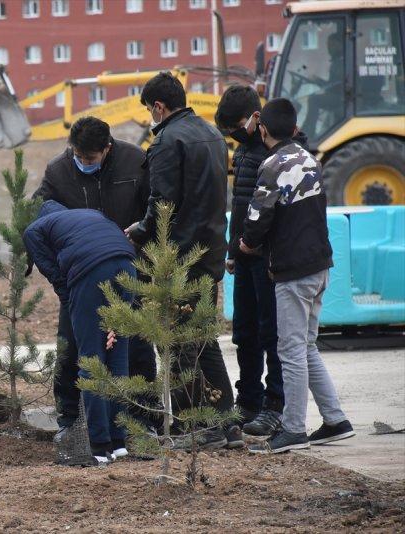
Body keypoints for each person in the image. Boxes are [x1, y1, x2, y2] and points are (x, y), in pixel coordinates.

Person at [126, 72, 240, 450]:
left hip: (177, 258)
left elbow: (162, 204)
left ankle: (197, 428)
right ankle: (226, 422)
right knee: (204, 338)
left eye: (149, 110)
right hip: (209, 252)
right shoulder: (211, 134)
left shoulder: (166, 142)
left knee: (178, 345)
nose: (149, 118)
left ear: (159, 106)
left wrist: (140, 231)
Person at [244, 98, 354, 454]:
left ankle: (293, 429)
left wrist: (246, 244)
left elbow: (259, 218)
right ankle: (335, 420)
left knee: (290, 350)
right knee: (306, 347)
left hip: (292, 271)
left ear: (263, 130)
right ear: (294, 130)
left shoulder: (272, 166)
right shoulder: (310, 159)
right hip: (319, 265)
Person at [32, 116, 156, 433]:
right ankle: (70, 419)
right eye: (78, 156)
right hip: (81, 273)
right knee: (71, 345)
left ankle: (143, 419)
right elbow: (39, 211)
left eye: (90, 158)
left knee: (136, 347)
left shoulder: (135, 162)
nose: (83, 163)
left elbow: (154, 211)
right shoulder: (59, 171)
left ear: (107, 149)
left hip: (130, 264)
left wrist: (146, 247)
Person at [24, 200, 136, 464]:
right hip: (128, 264)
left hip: (91, 271)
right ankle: (119, 443)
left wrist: (73, 301)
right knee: (118, 356)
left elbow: (53, 273)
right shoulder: (91, 214)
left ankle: (98, 447)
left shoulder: (35, 229)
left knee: (91, 359)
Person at [215, 86, 286, 436]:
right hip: (242, 256)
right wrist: (233, 250)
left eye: (238, 125)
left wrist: (253, 247)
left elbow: (272, 212)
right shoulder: (243, 151)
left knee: (270, 333)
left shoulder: (275, 153)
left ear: (257, 118)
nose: (234, 133)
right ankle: (249, 401)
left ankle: (275, 406)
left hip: (266, 259)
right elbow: (240, 207)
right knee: (244, 332)